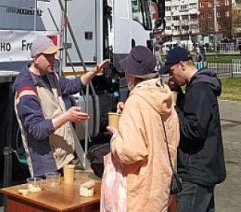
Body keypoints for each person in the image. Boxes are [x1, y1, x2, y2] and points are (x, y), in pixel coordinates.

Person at [13, 35, 110, 178]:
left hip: (62, 157)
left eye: (54, 55)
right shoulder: (26, 88)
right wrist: (67, 116)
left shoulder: (50, 76)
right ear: (35, 57)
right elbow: (37, 130)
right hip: (46, 163)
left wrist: (93, 72)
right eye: (48, 56)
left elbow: (72, 85)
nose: (53, 59)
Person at [107, 46, 179, 212]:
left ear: (132, 74)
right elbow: (169, 136)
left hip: (141, 192)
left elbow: (131, 151)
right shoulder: (164, 97)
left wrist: (116, 137)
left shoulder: (137, 102)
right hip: (161, 187)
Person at [159, 46, 226, 212]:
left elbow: (193, 130)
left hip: (196, 171)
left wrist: (173, 107)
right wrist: (178, 94)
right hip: (203, 168)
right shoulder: (197, 87)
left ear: (182, 65)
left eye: (171, 70)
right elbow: (192, 114)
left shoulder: (199, 89)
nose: (170, 76)